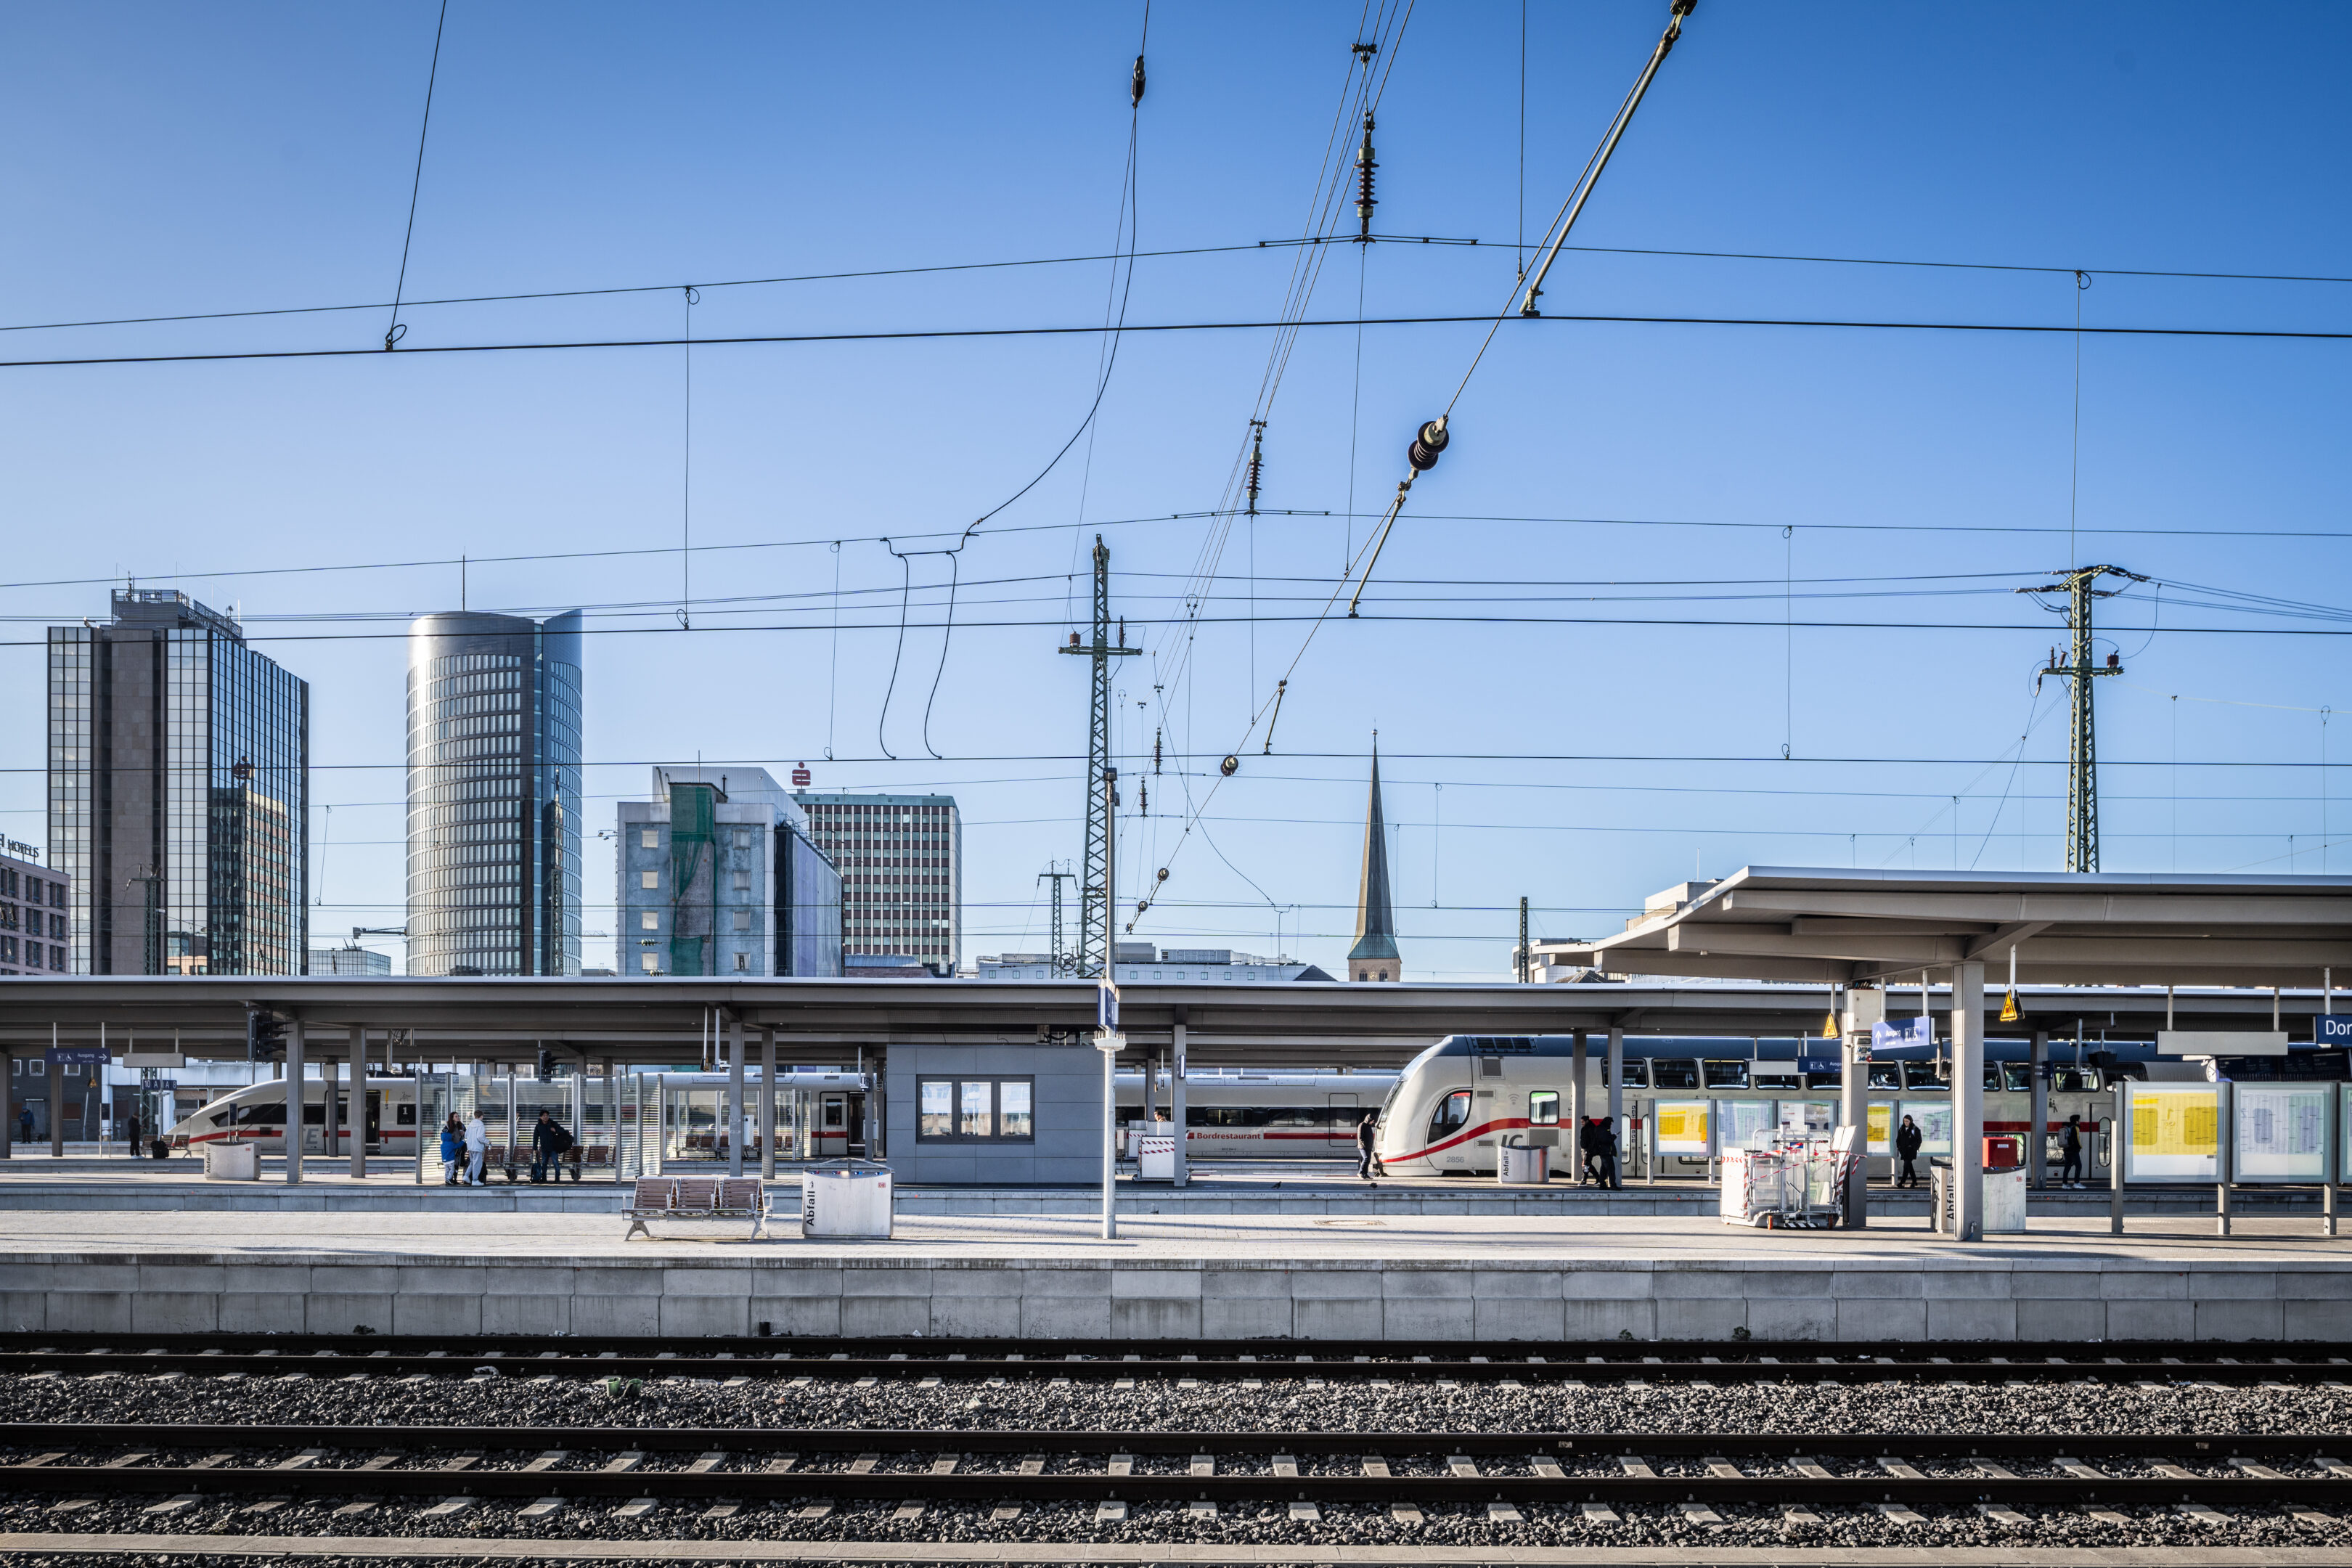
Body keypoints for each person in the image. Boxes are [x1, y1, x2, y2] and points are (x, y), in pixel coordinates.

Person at [531, 1109, 573, 1184]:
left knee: (556, 1163)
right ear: (541, 1117)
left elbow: (563, 1131)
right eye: (544, 1116)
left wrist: (555, 1130)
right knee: (544, 1164)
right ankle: (544, 1179)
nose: (546, 1117)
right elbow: (535, 1138)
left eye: (547, 1115)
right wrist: (535, 1148)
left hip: (554, 1148)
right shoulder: (538, 1126)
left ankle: (557, 1179)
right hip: (544, 1149)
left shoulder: (553, 1123)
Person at [1591, 1115, 1622, 1191]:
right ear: (1608, 1122)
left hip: (1605, 1152)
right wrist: (1614, 1136)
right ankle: (1613, 1186)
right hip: (1605, 1152)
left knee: (1604, 1169)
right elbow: (1605, 1140)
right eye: (1610, 1123)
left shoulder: (1602, 1129)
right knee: (1611, 1169)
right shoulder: (1603, 1129)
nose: (1611, 1125)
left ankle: (1602, 1185)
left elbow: (1604, 1139)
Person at [1895, 1114, 1924, 1188]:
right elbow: (1898, 1139)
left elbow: (1919, 1140)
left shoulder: (1915, 1129)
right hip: (1904, 1152)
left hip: (1911, 1152)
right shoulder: (1901, 1129)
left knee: (1906, 1166)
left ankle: (1902, 1182)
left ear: (1911, 1121)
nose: (1906, 1123)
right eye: (1904, 1121)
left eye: (1907, 1121)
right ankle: (1914, 1182)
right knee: (1909, 1167)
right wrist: (1899, 1147)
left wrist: (1913, 1147)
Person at [462, 1111, 489, 1186]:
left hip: (470, 1147)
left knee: (472, 1162)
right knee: (477, 1164)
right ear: (481, 1116)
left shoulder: (471, 1124)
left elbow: (466, 1135)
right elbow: (480, 1137)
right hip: (477, 1147)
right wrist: (488, 1141)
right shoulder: (481, 1125)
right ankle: (475, 1180)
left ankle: (466, 1176)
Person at [439, 1114, 465, 1186]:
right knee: (451, 1166)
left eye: (458, 1116)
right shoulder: (448, 1126)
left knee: (456, 1164)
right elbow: (443, 1135)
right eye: (456, 1116)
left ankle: (453, 1179)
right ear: (452, 1118)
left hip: (457, 1148)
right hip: (452, 1148)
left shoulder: (461, 1125)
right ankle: (449, 1179)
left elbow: (465, 1133)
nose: (458, 1117)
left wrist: (463, 1133)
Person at [2060, 1113, 2085, 1188]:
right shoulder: (2075, 1128)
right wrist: (2080, 1147)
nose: (2079, 1122)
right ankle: (2076, 1183)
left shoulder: (2067, 1127)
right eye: (2078, 1120)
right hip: (2073, 1151)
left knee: (2067, 1167)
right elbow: (2076, 1140)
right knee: (2079, 1166)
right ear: (2076, 1121)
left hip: (2066, 1150)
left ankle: (2065, 1184)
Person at [1355, 1112, 1378, 1181]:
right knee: (1366, 1159)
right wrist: (1364, 1145)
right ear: (1369, 1119)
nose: (1372, 1122)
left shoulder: (1369, 1126)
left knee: (1368, 1160)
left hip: (1368, 1147)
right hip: (1363, 1146)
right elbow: (1360, 1137)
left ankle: (1365, 1174)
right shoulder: (1362, 1125)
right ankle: (1361, 1173)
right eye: (1372, 1121)